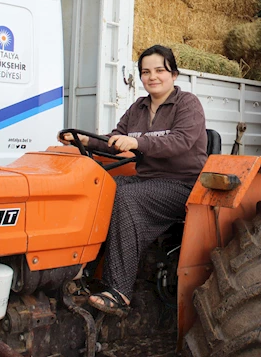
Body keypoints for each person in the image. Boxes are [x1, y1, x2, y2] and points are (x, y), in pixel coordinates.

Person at [59, 44, 207, 316]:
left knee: (126, 197)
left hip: (183, 185)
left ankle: (119, 292)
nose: (153, 77)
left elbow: (181, 143)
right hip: (147, 181)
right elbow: (115, 141)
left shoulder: (188, 104)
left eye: (160, 70)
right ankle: (80, 272)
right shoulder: (138, 108)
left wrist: (137, 142)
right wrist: (85, 140)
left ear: (173, 74)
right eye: (146, 72)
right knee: (100, 189)